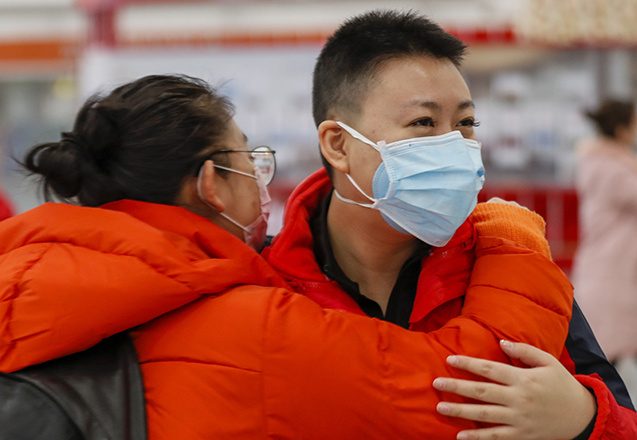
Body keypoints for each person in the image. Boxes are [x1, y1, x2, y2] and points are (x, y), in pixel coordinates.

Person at [0, 74, 576, 439]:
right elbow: (473, 390)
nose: (259, 175)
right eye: (248, 159)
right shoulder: (250, 329)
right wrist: (514, 246)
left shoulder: (31, 282)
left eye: (464, 123)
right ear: (211, 184)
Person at [261, 10, 637, 439]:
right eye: (423, 123)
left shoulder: (514, 272)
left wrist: (584, 417)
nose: (454, 145)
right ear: (338, 144)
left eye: (465, 124)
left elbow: (631, 429)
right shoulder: (265, 285)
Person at [572, 99, 637, 439]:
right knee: (602, 373)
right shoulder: (612, 170)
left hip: (617, 282)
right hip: (613, 285)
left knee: (607, 369)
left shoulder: (610, 163)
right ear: (623, 130)